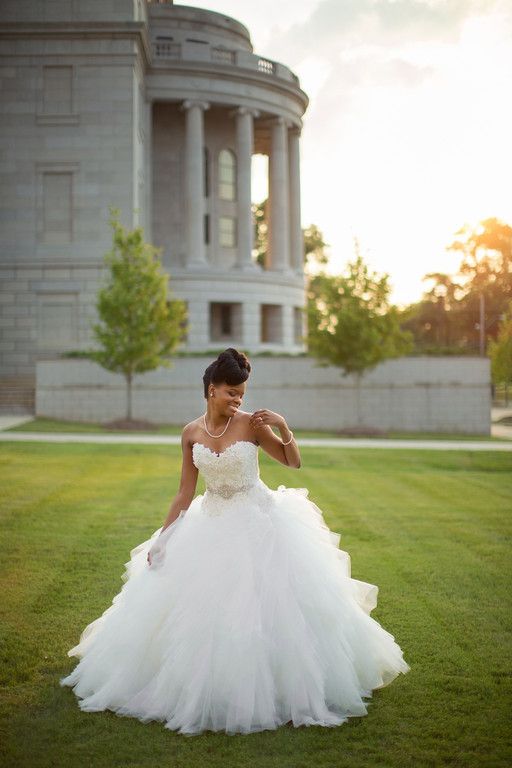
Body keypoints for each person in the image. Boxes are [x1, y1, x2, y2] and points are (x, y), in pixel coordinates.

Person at [60, 347, 410, 735]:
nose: (238, 400)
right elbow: (183, 492)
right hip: (210, 523)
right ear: (212, 389)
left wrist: (282, 425)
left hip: (260, 523)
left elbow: (292, 462)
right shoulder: (191, 433)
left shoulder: (252, 424)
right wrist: (164, 538)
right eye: (231, 392)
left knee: (271, 610)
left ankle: (285, 689)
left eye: (241, 393)